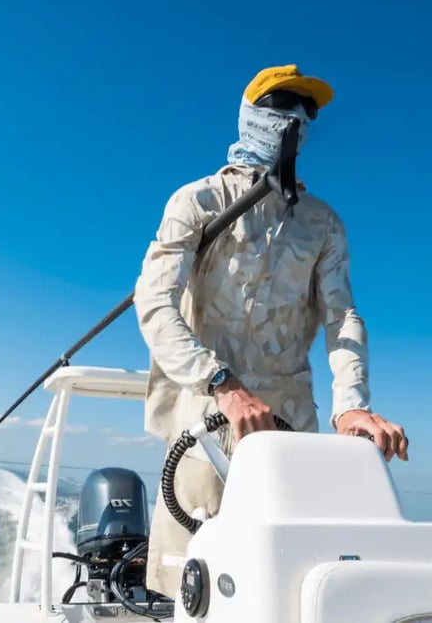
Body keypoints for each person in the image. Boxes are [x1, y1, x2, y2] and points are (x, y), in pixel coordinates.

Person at [132, 64, 409, 598]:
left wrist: (350, 403)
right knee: (195, 587)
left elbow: (342, 316)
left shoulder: (323, 223)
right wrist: (223, 385)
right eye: (284, 104)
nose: (297, 119)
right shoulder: (197, 201)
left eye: (307, 111)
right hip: (205, 424)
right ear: (252, 115)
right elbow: (155, 301)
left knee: (285, 581)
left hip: (290, 432)